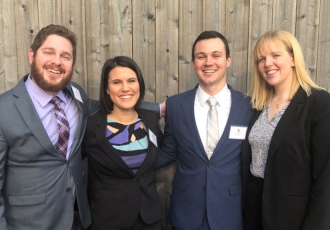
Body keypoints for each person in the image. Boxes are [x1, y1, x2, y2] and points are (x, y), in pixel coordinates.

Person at [0, 24, 161, 230]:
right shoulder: (4, 110)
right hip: (29, 223)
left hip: (78, 219)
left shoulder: (75, 95)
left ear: (72, 63)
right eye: (49, 52)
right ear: (32, 55)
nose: (56, 61)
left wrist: (158, 108)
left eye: (65, 56)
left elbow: (114, 104)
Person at [154, 31, 253, 230]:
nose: (208, 62)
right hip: (186, 213)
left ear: (228, 60)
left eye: (216, 55)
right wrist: (127, 163)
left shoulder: (249, 106)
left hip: (230, 213)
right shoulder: (176, 105)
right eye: (201, 56)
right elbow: (168, 152)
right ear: (193, 63)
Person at [241, 30, 330, 230]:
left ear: (292, 58)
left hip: (291, 215)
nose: (267, 64)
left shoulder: (318, 103)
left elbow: (326, 178)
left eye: (275, 55)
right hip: (253, 208)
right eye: (261, 59)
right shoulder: (257, 106)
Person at [81, 56, 163, 230]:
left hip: (149, 220)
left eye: (131, 81)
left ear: (139, 84)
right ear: (107, 89)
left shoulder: (151, 120)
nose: (125, 88)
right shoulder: (90, 127)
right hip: (107, 221)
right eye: (117, 82)